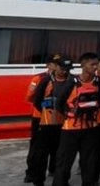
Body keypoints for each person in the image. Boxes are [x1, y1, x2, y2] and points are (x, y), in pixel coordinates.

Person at [53, 52, 100, 186]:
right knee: (64, 162)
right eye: (92, 64)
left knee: (89, 162)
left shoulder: (99, 82)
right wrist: (70, 113)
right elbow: (59, 104)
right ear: (83, 65)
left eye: (96, 64)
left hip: (91, 128)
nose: (95, 67)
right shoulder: (71, 82)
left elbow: (99, 101)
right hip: (71, 129)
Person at [28, 57, 73, 186]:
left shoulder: (72, 80)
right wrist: (46, 113)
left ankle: (61, 180)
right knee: (41, 154)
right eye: (63, 68)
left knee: (62, 154)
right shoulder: (45, 80)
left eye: (67, 69)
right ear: (56, 67)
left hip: (65, 123)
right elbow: (37, 101)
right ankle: (38, 180)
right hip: (46, 123)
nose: (65, 72)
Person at [25, 54, 63, 184]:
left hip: (57, 118)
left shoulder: (64, 79)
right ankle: (31, 172)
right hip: (39, 117)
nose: (57, 66)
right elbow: (30, 96)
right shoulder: (39, 78)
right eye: (55, 64)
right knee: (37, 147)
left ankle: (53, 169)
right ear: (48, 65)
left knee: (57, 145)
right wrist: (44, 106)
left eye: (59, 64)